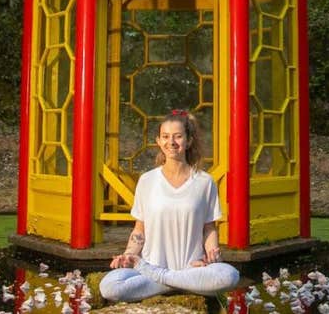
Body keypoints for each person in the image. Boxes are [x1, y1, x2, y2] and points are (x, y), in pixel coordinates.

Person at [98, 110, 241, 302]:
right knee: (109, 286)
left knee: (229, 275)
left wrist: (211, 255)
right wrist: (129, 255)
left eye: (178, 136)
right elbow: (140, 228)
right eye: (165, 137)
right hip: (155, 266)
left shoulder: (205, 182)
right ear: (158, 141)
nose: (171, 142)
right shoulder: (147, 181)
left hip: (191, 268)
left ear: (188, 141)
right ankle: (176, 281)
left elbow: (209, 228)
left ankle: (163, 279)